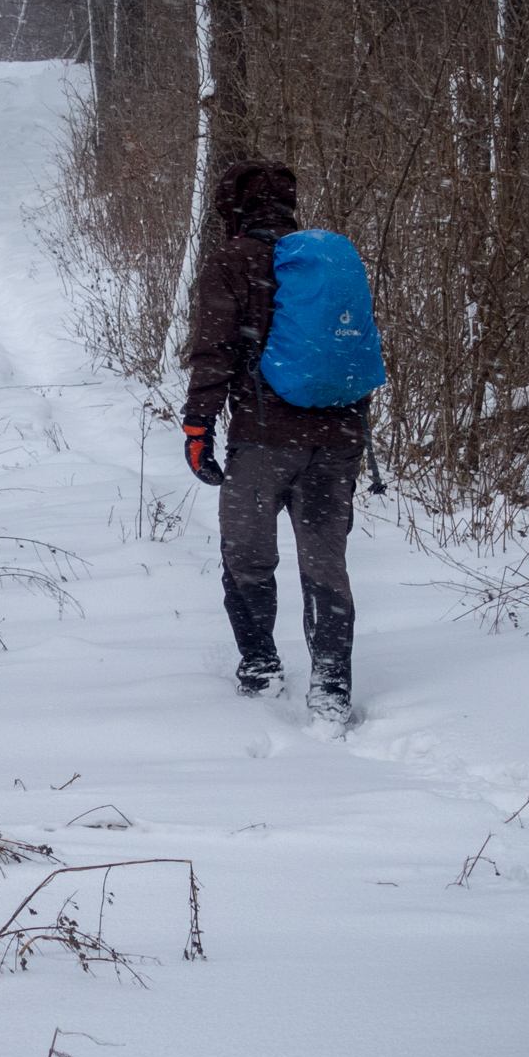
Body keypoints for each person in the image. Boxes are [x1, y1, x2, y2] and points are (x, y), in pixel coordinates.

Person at [181, 159, 372, 731]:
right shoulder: (323, 260)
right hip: (339, 437)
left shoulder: (233, 260)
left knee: (246, 556)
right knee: (326, 564)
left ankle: (261, 666)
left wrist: (198, 427)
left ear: (232, 207)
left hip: (264, 441)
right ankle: (332, 685)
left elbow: (214, 350)